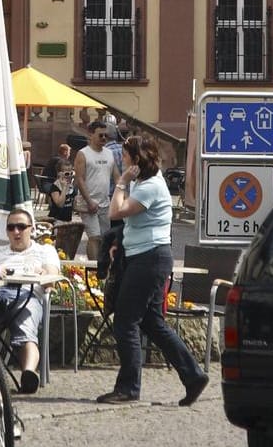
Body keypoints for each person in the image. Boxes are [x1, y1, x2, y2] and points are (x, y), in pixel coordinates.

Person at [100, 136, 207, 407]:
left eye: (124, 156)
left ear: (135, 161)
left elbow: (116, 211)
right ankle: (193, 375)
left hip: (149, 261)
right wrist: (118, 243)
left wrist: (121, 181)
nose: (121, 160)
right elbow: (131, 224)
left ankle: (128, 388)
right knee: (152, 323)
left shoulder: (150, 186)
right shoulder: (144, 182)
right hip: (147, 258)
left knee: (125, 321)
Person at [0, 205, 61, 395]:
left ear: (32, 229)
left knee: (26, 331)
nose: (16, 232)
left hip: (28, 295)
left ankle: (28, 373)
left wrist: (44, 274)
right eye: (11, 228)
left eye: (21, 227)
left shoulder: (45, 251)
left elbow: (51, 279)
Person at [74, 124, 119, 259]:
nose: (104, 138)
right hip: (88, 203)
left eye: (106, 135)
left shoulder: (109, 153)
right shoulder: (83, 154)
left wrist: (121, 193)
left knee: (105, 238)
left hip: (105, 203)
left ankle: (102, 266)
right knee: (94, 237)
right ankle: (93, 268)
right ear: (91, 135)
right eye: (101, 135)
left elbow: (116, 176)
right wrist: (89, 201)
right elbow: (80, 179)